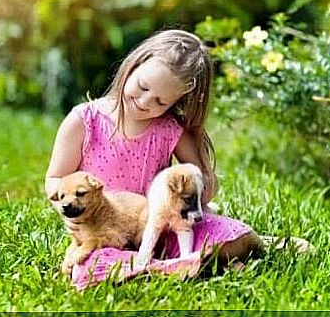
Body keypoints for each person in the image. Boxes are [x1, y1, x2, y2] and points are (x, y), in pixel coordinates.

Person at [44, 29, 312, 287]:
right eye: (142, 86)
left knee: (229, 235)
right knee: (89, 265)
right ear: (134, 65)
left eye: (161, 101)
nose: (145, 102)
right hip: (101, 234)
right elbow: (55, 179)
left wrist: (198, 186)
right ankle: (185, 267)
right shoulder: (84, 121)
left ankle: (237, 249)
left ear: (176, 102)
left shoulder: (169, 129)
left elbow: (201, 185)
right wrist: (70, 211)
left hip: (161, 230)